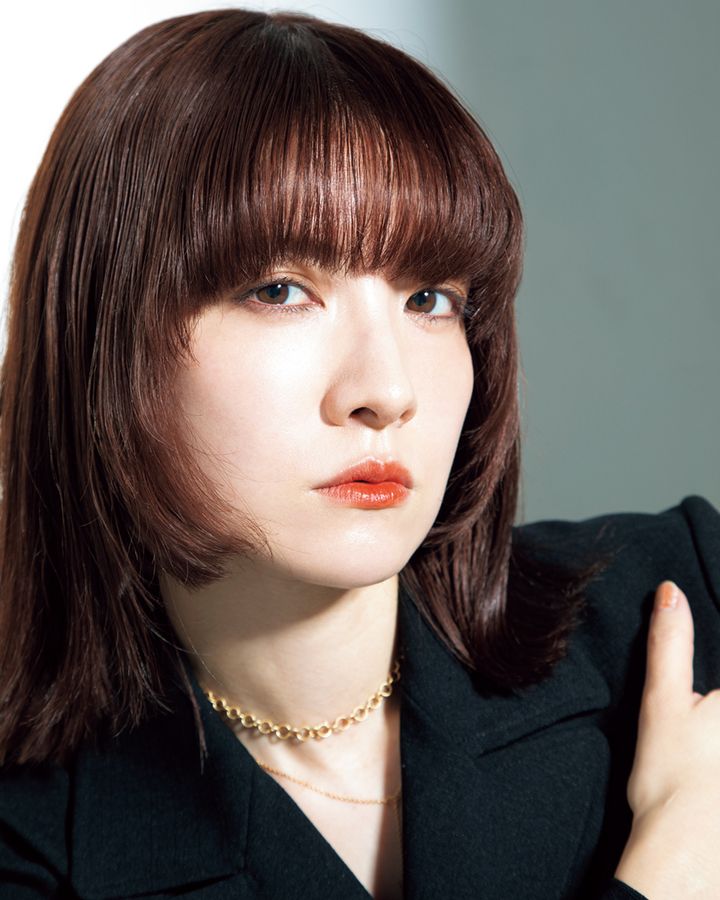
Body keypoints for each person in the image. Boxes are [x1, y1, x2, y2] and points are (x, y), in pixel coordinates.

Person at [0, 9, 718, 899]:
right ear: (103, 341)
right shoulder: (32, 843)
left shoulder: (682, 604)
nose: (387, 389)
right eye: (280, 290)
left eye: (430, 299)